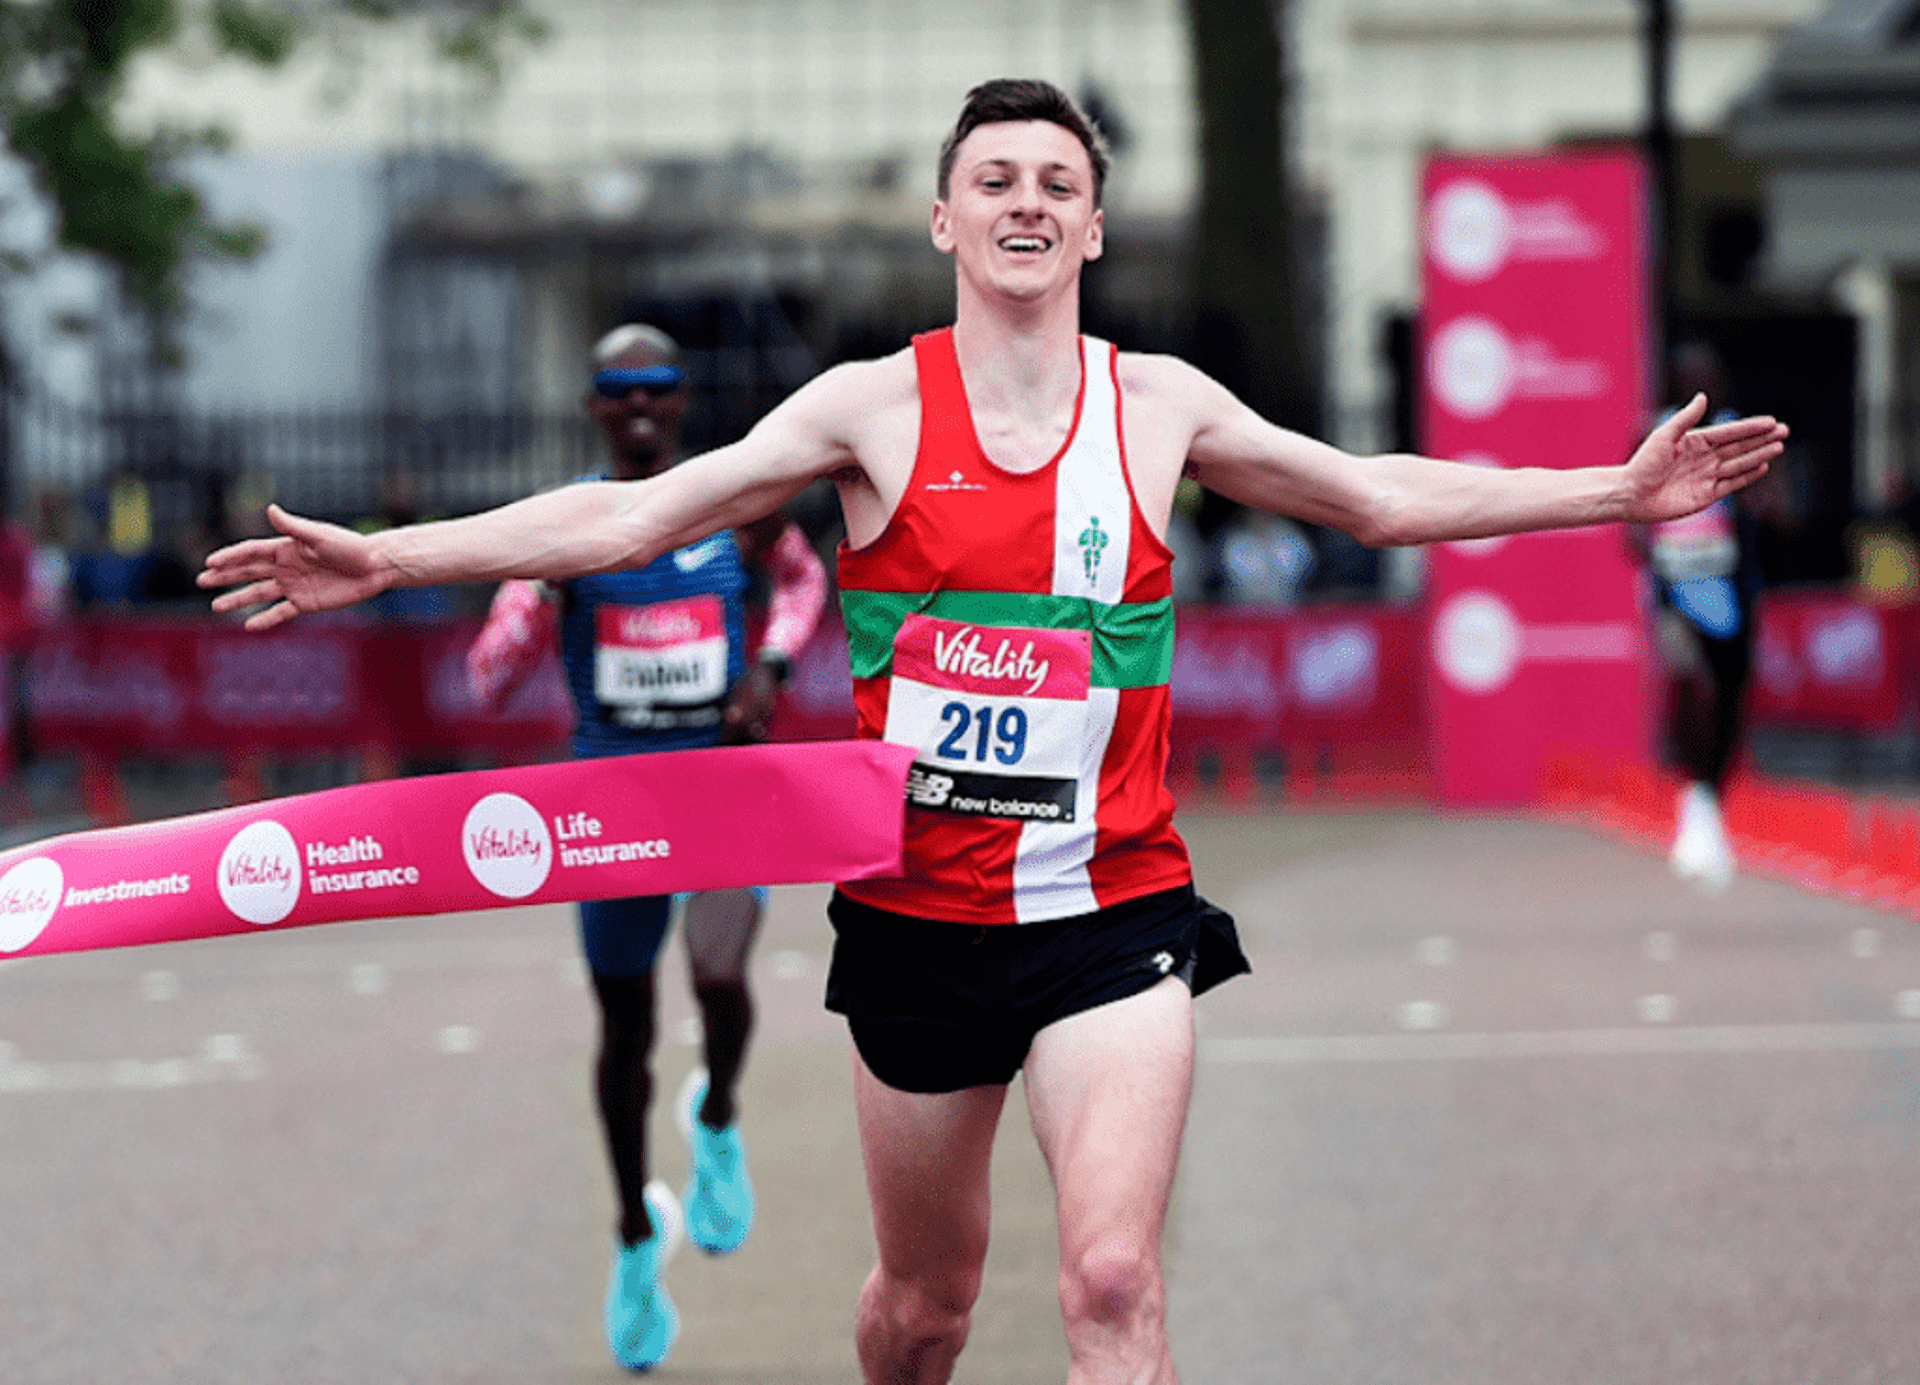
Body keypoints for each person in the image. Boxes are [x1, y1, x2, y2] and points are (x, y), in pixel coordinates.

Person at [201, 79, 1787, 1385]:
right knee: (923, 1312)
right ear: (946, 220)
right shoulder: (864, 413)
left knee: (1109, 1282)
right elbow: (631, 518)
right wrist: (391, 558)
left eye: (1055, 180)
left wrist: (1612, 490)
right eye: (994, 179)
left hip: (1117, 913)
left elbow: (1376, 493)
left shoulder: (1158, 406)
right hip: (917, 926)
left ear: (1092, 222)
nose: (1026, 202)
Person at [464, 322, 827, 1371]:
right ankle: (633, 1236)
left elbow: (805, 587)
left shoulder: (731, 507)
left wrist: (768, 667)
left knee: (720, 977)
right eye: (617, 388)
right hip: (610, 811)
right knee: (624, 1033)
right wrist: (539, 586)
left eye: (657, 386)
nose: (638, 404)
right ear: (594, 408)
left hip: (717, 792)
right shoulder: (567, 523)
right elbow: (488, 676)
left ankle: (715, 1113)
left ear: (680, 402)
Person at [1643, 342, 1763, 892]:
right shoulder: (1653, 434)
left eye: (1707, 377)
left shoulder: (1741, 436)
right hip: (1678, 589)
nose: (1699, 387)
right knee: (1689, 688)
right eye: (1688, 378)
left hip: (1731, 587)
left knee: (1732, 693)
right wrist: (1664, 542)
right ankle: (1693, 793)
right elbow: (1630, 525)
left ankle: (1712, 793)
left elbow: (1769, 506)